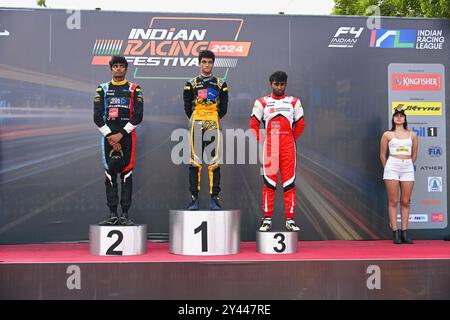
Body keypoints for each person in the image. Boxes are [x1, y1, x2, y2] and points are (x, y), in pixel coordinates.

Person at [250, 71, 305, 232]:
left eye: (282, 84)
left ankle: (290, 219)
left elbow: (300, 125)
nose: (279, 87)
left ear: (286, 84)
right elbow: (253, 126)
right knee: (269, 183)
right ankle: (267, 219)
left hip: (288, 146)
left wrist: (289, 139)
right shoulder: (262, 102)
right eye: (276, 84)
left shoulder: (294, 102)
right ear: (270, 84)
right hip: (270, 147)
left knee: (289, 183)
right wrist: (266, 142)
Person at [93, 55, 144, 225]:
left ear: (126, 69)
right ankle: (113, 214)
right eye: (116, 66)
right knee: (110, 174)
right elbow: (97, 117)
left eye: (122, 66)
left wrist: (121, 134)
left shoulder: (134, 89)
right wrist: (110, 136)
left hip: (127, 135)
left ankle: (125, 215)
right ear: (111, 69)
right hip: (108, 136)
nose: (119, 69)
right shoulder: (102, 89)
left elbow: (137, 117)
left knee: (127, 174)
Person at [183, 50, 228, 210]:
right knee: (194, 161)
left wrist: (211, 117)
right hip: (196, 121)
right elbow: (187, 106)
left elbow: (224, 108)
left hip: (213, 122)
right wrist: (198, 117)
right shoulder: (191, 83)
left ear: (213, 64)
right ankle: (194, 198)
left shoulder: (221, 83)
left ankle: (214, 198)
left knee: (214, 161)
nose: (207, 65)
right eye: (204, 62)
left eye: (209, 62)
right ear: (199, 63)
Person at [380, 107, 418, 244]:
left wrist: (406, 164)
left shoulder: (412, 135)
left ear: (405, 119)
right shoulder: (387, 135)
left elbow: (414, 155)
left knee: (406, 201)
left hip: (407, 166)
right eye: (397, 115)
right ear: (393, 118)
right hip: (392, 166)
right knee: (393, 201)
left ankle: (405, 232)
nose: (399, 117)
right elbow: (382, 154)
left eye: (402, 116)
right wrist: (388, 167)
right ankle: (395, 232)